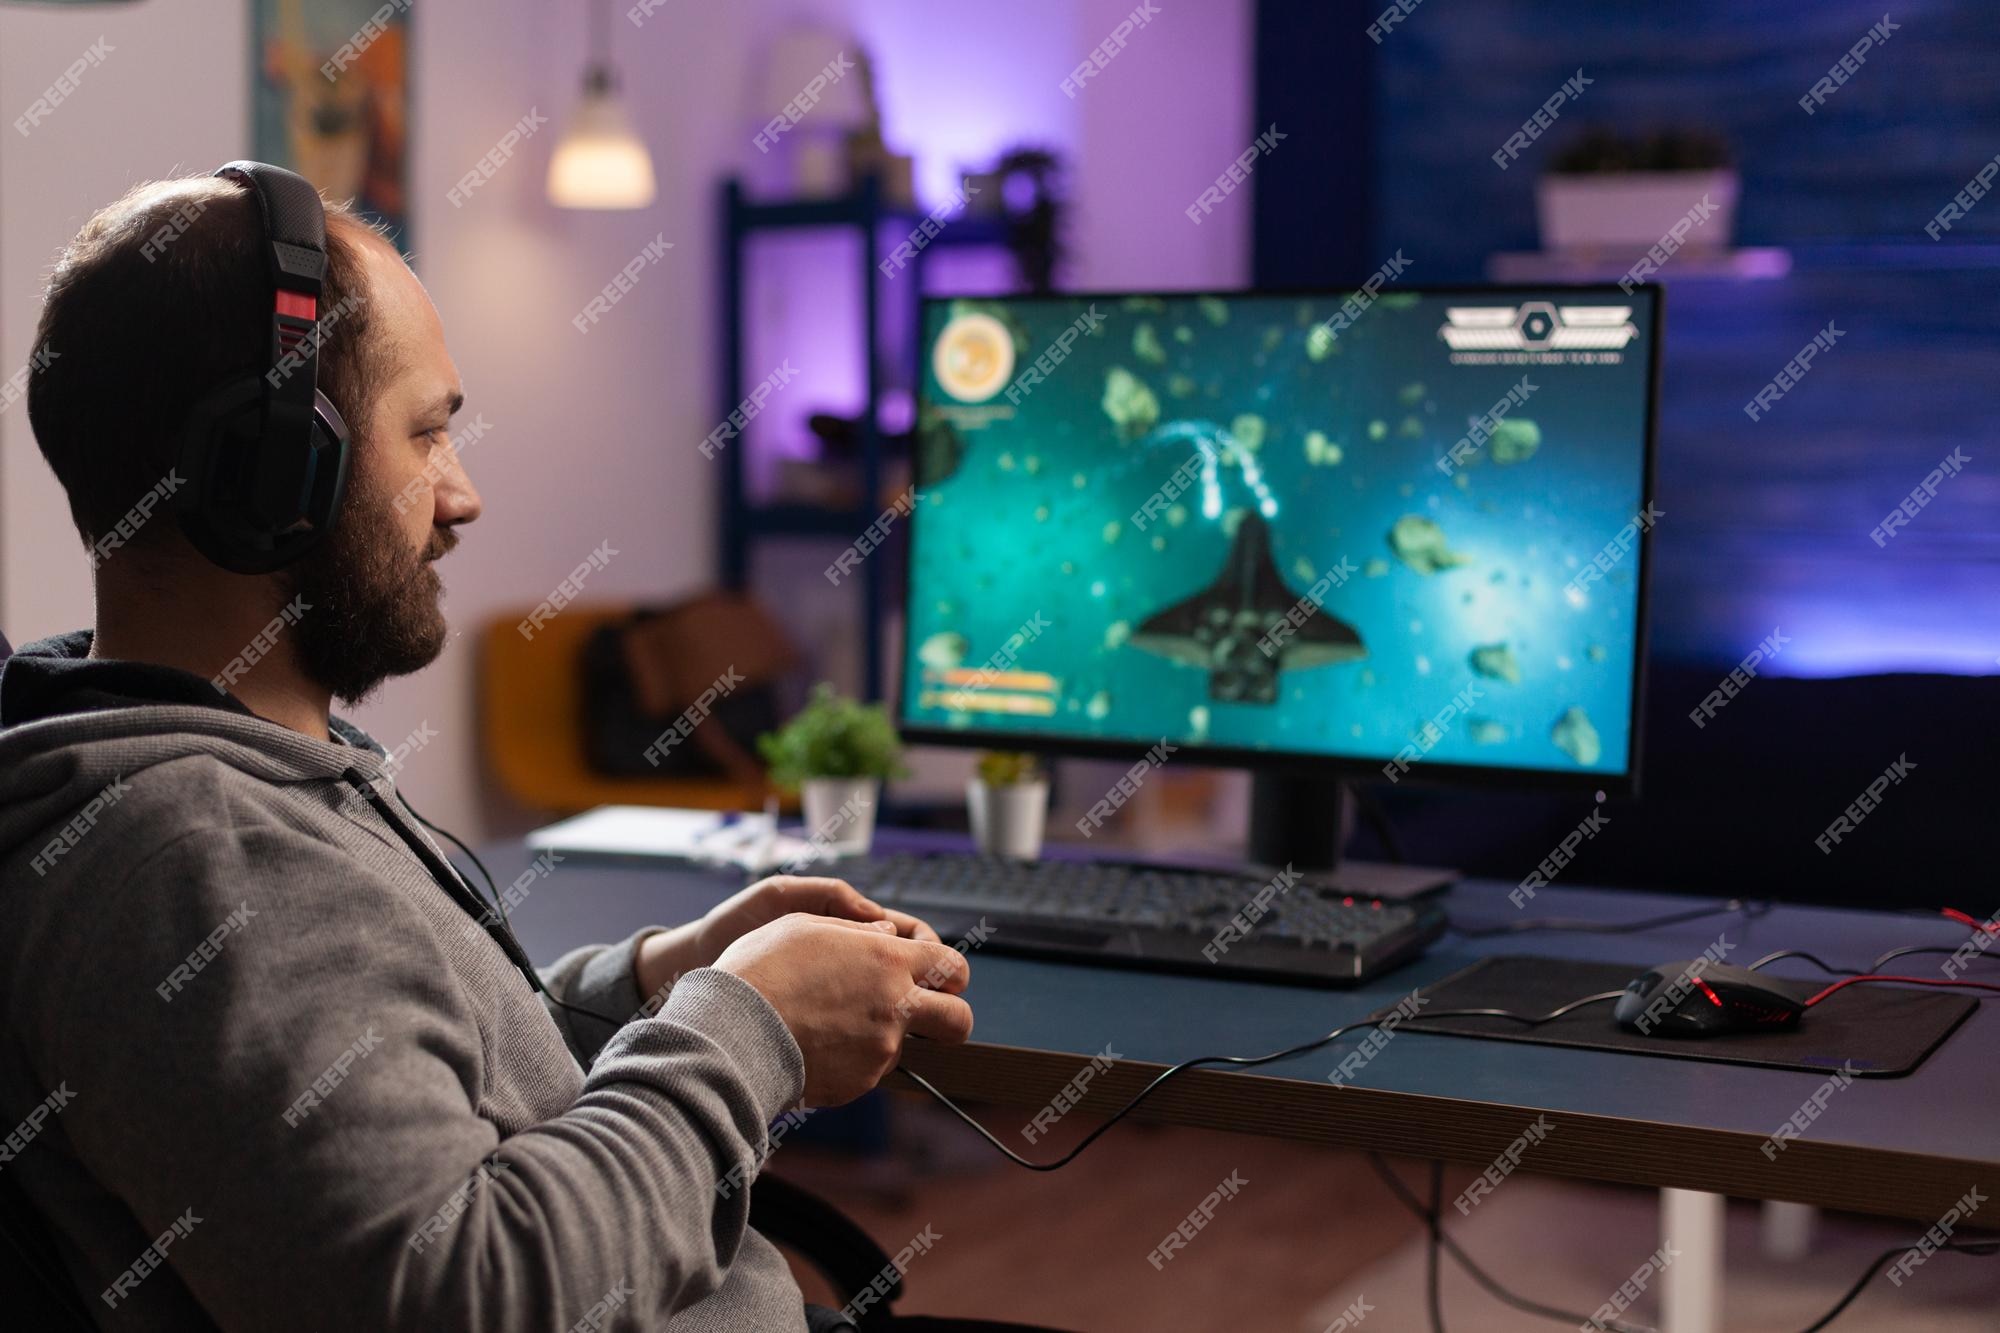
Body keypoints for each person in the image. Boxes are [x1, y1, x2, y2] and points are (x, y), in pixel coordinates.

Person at [0, 169, 980, 1331]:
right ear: (269, 476)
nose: (462, 497)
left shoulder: (225, 767)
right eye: (425, 434)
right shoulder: (196, 857)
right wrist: (745, 1032)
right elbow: (456, 1297)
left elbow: (429, 1090)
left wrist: (663, 982)